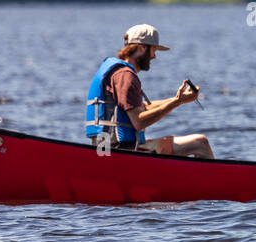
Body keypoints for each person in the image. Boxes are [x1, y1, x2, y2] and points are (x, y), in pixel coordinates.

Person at [85, 24, 213, 158]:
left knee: (181, 149)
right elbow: (138, 122)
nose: (154, 56)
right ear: (142, 48)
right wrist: (176, 102)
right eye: (154, 50)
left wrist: (180, 100)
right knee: (200, 143)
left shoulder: (117, 72)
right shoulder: (125, 76)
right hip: (121, 151)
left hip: (105, 149)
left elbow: (141, 108)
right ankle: (215, 179)